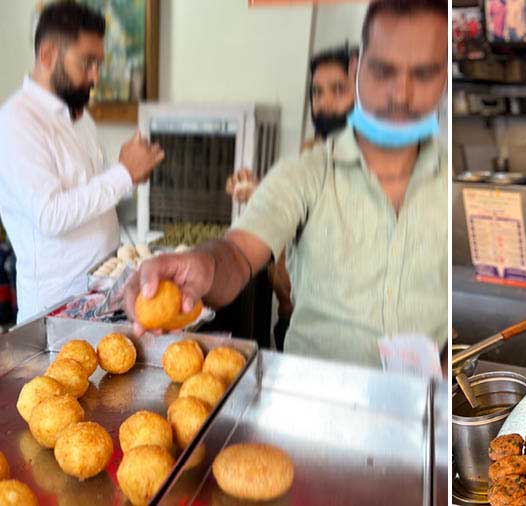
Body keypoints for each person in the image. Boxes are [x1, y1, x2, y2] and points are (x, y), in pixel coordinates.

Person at [127, 0, 448, 369]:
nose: (401, 95)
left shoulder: (450, 185)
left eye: (424, 74)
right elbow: (238, 253)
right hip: (315, 397)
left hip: (428, 405)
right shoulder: (304, 172)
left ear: (444, 78)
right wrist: (203, 267)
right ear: (358, 68)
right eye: (383, 71)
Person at [0, 2, 164, 323]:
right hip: (57, 312)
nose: (96, 76)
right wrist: (122, 175)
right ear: (47, 55)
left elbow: (94, 196)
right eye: (88, 62)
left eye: (99, 64)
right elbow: (50, 215)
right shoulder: (16, 122)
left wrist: (130, 176)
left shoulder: (80, 116)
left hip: (103, 298)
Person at [224, 44, 360, 351]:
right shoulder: (309, 154)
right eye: (317, 92)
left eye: (338, 90)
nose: (323, 103)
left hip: (342, 340)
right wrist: (262, 197)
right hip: (294, 321)